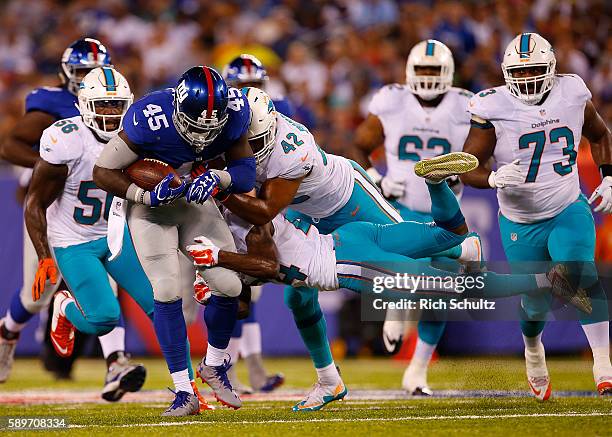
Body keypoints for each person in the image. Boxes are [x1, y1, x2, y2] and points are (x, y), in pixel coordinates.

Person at [187, 153, 590, 411]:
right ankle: (437, 187)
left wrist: (221, 261)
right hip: (351, 236)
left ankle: (544, 281)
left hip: (344, 259)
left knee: (448, 289)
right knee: (448, 234)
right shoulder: (245, 203)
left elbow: (270, 266)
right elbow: (245, 291)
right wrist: (223, 275)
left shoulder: (242, 221)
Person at [215, 87, 482, 410]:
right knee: (297, 296)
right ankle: (329, 379)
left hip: (346, 200)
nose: (246, 149)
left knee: (411, 249)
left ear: (270, 129)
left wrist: (219, 190)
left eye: (253, 143)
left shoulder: (292, 147)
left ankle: (460, 249)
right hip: (304, 210)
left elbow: (265, 209)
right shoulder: (239, 132)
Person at [93, 66, 256, 414]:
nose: (201, 136)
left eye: (210, 129)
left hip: (194, 203)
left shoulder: (234, 113)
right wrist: (144, 195)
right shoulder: (149, 118)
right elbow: (103, 171)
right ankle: (184, 391)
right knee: (166, 290)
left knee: (230, 286)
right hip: (150, 208)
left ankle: (213, 365)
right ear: (180, 110)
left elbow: (246, 171)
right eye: (195, 125)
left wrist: (219, 177)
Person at [461, 32, 612, 399]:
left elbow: (600, 134)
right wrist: (493, 177)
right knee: (535, 302)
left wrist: (610, 177)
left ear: (552, 68)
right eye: (520, 72)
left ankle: (604, 364)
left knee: (579, 274)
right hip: (520, 221)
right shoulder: (492, 105)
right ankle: (533, 349)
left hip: (566, 206)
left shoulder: (572, 92)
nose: (527, 79)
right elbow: (467, 166)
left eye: (534, 71)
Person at [352, 39, 475, 395]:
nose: (427, 77)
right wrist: (377, 178)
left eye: (434, 71)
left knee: (440, 293)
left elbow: (483, 151)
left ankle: (417, 369)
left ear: (448, 73)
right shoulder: (391, 101)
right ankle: (396, 307)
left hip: (445, 212)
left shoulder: (465, 105)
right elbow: (359, 145)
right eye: (422, 69)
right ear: (409, 71)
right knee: (395, 270)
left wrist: (470, 168)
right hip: (401, 207)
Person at [24, 67, 150, 402]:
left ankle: (172, 381)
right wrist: (44, 257)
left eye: (116, 104)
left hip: (115, 232)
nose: (110, 113)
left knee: (163, 303)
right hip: (74, 238)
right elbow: (34, 201)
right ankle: (65, 309)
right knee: (103, 315)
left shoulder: (137, 135)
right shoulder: (65, 137)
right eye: (102, 104)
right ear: (83, 103)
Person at [0, 38, 121, 385]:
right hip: (56, 206)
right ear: (67, 72)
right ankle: (8, 332)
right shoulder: (52, 103)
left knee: (108, 286)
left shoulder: (115, 102)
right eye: (82, 72)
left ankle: (117, 363)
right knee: (38, 295)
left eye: (95, 72)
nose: (88, 79)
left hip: (97, 210)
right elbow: (11, 145)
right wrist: (51, 165)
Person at [222, 54, 289, 393]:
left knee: (248, 291)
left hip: (261, 206)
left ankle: (249, 369)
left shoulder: (279, 112)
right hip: (230, 205)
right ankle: (226, 368)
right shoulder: (219, 116)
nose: (248, 93)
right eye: (240, 86)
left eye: (254, 85)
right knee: (232, 291)